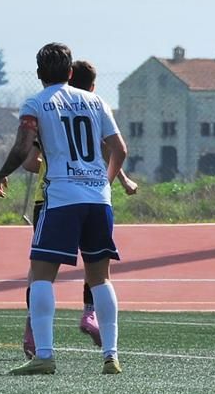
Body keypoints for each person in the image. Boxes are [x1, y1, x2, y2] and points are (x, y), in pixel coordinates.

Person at [0, 42, 127, 376]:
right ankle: (111, 356)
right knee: (100, 278)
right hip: (98, 200)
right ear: (70, 71)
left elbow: (22, 147)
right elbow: (119, 150)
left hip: (61, 199)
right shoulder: (96, 101)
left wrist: (2, 173)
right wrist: (105, 183)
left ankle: (44, 356)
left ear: (39, 74)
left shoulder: (36, 103)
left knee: (41, 276)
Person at [20, 60, 138, 357]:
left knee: (41, 270)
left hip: (51, 198)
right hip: (94, 196)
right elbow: (113, 151)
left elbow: (30, 160)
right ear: (91, 86)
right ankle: (94, 320)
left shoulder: (49, 109)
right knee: (98, 267)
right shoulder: (95, 108)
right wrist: (116, 180)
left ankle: (35, 332)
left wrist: (51, 163)